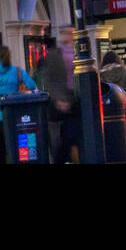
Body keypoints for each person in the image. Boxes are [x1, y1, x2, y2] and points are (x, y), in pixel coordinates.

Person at [0, 46, 36, 163]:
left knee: (4, 144)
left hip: (1, 115)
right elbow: (32, 86)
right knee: (20, 142)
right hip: (17, 113)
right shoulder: (17, 71)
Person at [34, 36, 78, 165]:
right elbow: (51, 82)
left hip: (65, 103)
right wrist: (59, 99)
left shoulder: (73, 55)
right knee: (60, 138)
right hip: (57, 105)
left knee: (64, 137)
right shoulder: (55, 58)